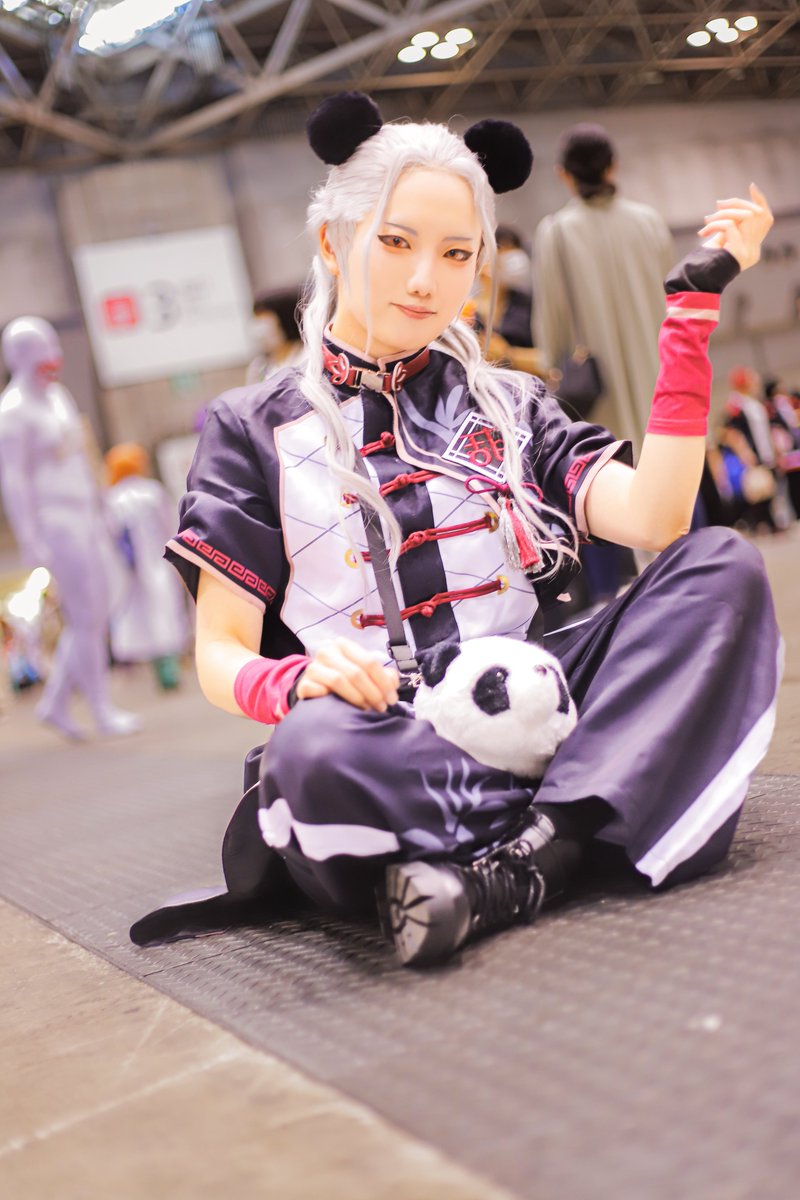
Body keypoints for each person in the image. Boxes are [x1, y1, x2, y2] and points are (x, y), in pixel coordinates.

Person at [133, 92, 780, 969]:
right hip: (380, 734)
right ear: (334, 242)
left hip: (536, 701)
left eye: (455, 253)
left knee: (720, 569)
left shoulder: (511, 404)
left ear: (479, 265)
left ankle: (518, 862)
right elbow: (220, 654)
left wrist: (690, 322)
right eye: (396, 242)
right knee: (309, 755)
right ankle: (592, 808)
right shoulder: (250, 426)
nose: (424, 280)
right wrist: (294, 681)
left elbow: (657, 518)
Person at [0, 317, 141, 739]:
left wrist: (101, 502)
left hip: (85, 512)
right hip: (55, 519)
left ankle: (56, 702)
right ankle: (98, 707)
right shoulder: (13, 411)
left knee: (95, 611)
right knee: (85, 615)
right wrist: (29, 537)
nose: (50, 355)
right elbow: (13, 478)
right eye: (39, 347)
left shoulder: (58, 397)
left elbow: (82, 454)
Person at [534, 123, 674, 453]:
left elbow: (551, 324)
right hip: (662, 385)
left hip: (599, 397)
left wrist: (552, 361)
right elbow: (676, 304)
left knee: (621, 470)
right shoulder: (649, 221)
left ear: (563, 174)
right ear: (613, 166)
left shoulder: (555, 232)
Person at [104, 442, 190, 689]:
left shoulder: (111, 499)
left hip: (129, 571)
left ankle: (162, 670)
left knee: (145, 620)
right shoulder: (152, 492)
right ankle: (168, 670)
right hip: (159, 562)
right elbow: (171, 525)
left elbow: (108, 537)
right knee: (165, 614)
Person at [245, 287, 305, 385]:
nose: (260, 333)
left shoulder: (307, 359)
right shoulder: (259, 366)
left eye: (265, 324)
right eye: (257, 322)